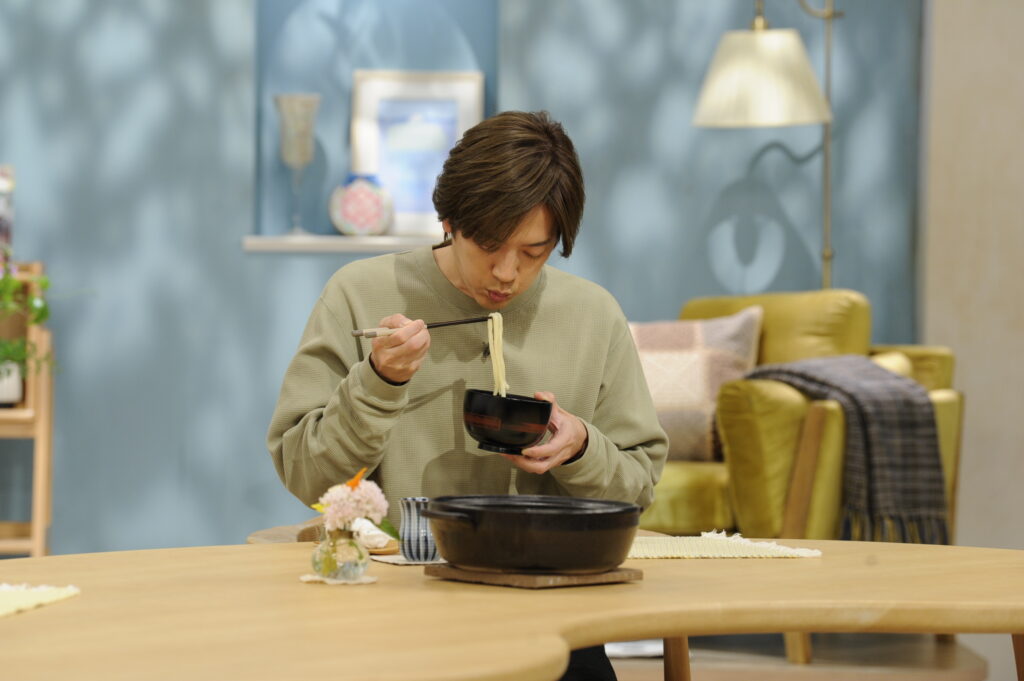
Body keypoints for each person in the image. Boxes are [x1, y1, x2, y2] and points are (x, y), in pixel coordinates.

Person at [268, 110, 667, 681]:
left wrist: (581, 449)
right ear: (448, 220)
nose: (506, 273)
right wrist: (379, 382)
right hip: (394, 610)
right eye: (488, 245)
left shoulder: (592, 316)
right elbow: (305, 474)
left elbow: (638, 485)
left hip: (554, 610)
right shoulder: (360, 293)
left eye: (534, 252)